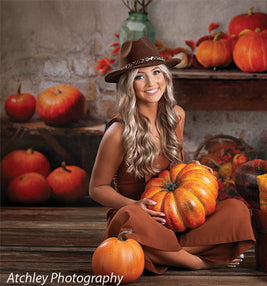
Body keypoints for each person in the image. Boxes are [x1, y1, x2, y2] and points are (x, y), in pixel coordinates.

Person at [89, 37, 255, 274]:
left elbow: (173, 171)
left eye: (156, 72)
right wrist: (135, 204)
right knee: (129, 219)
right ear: (128, 84)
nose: (151, 82)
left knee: (236, 210)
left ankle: (164, 253)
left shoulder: (176, 115)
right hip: (139, 221)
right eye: (139, 76)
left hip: (174, 219)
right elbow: (97, 188)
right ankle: (195, 260)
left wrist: (193, 169)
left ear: (165, 76)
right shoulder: (119, 131)